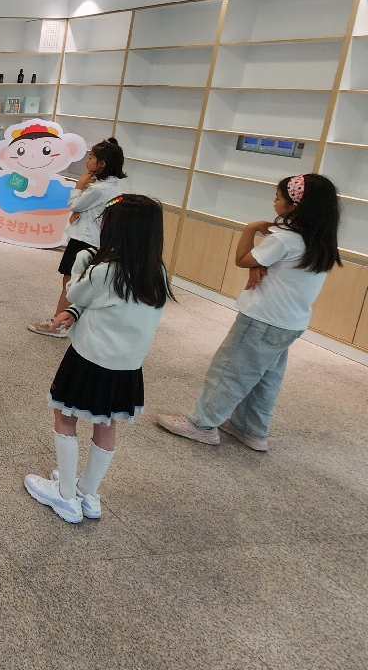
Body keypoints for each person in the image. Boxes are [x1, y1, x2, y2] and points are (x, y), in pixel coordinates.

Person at [156, 174, 341, 452]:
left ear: (295, 206)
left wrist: (251, 228)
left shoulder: (284, 239)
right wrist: (259, 264)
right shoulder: (319, 241)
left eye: (278, 198)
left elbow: (242, 259)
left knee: (229, 371)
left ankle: (202, 424)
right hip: (290, 323)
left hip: (262, 319)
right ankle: (250, 429)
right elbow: (272, 265)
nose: (274, 202)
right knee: (266, 378)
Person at [24, 195, 172, 524]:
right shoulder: (157, 273)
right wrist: (76, 313)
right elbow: (102, 307)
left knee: (65, 416)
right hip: (127, 368)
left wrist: (82, 262)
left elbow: (75, 291)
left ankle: (65, 496)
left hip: (89, 360)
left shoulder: (104, 271)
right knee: (106, 423)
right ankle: (87, 493)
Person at [28, 138, 126, 338]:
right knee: (78, 281)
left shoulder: (98, 188)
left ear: (102, 164)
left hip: (84, 240)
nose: (87, 161)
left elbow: (74, 205)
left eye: (91, 157)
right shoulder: (109, 186)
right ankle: (68, 321)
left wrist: (79, 186)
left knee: (70, 282)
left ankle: (58, 324)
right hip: (93, 239)